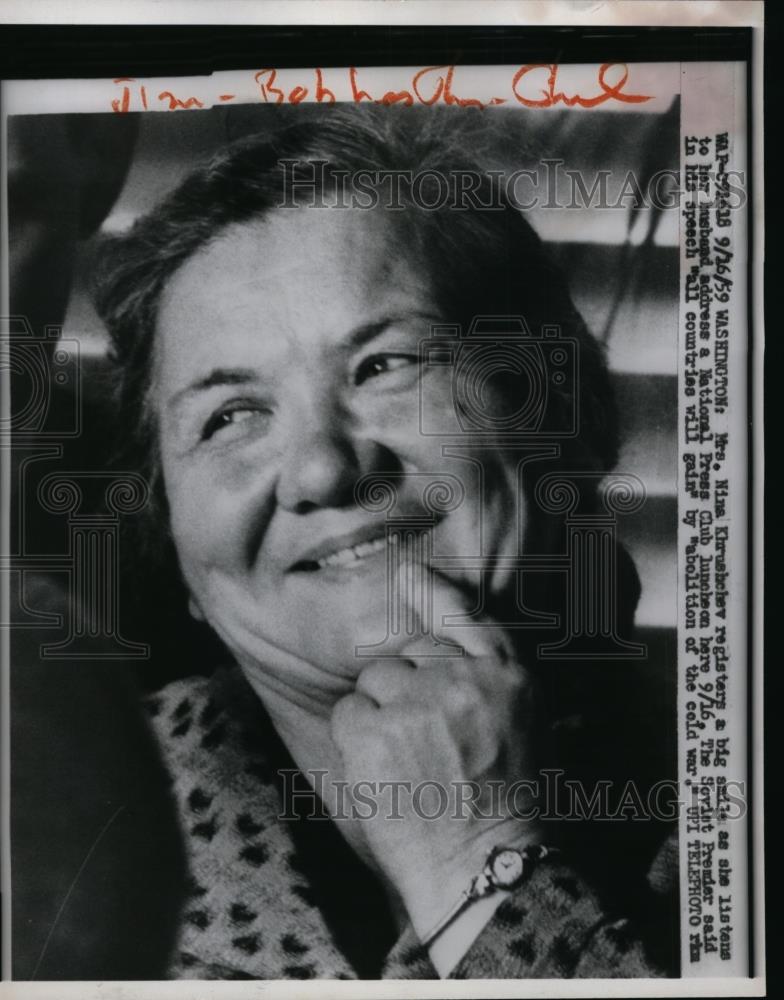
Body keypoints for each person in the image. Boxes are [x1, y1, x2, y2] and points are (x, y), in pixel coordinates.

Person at [93, 106, 678, 980]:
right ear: (171, 539)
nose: (325, 470)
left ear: (567, 419)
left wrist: (476, 861)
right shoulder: (58, 845)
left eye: (386, 365)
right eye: (230, 416)